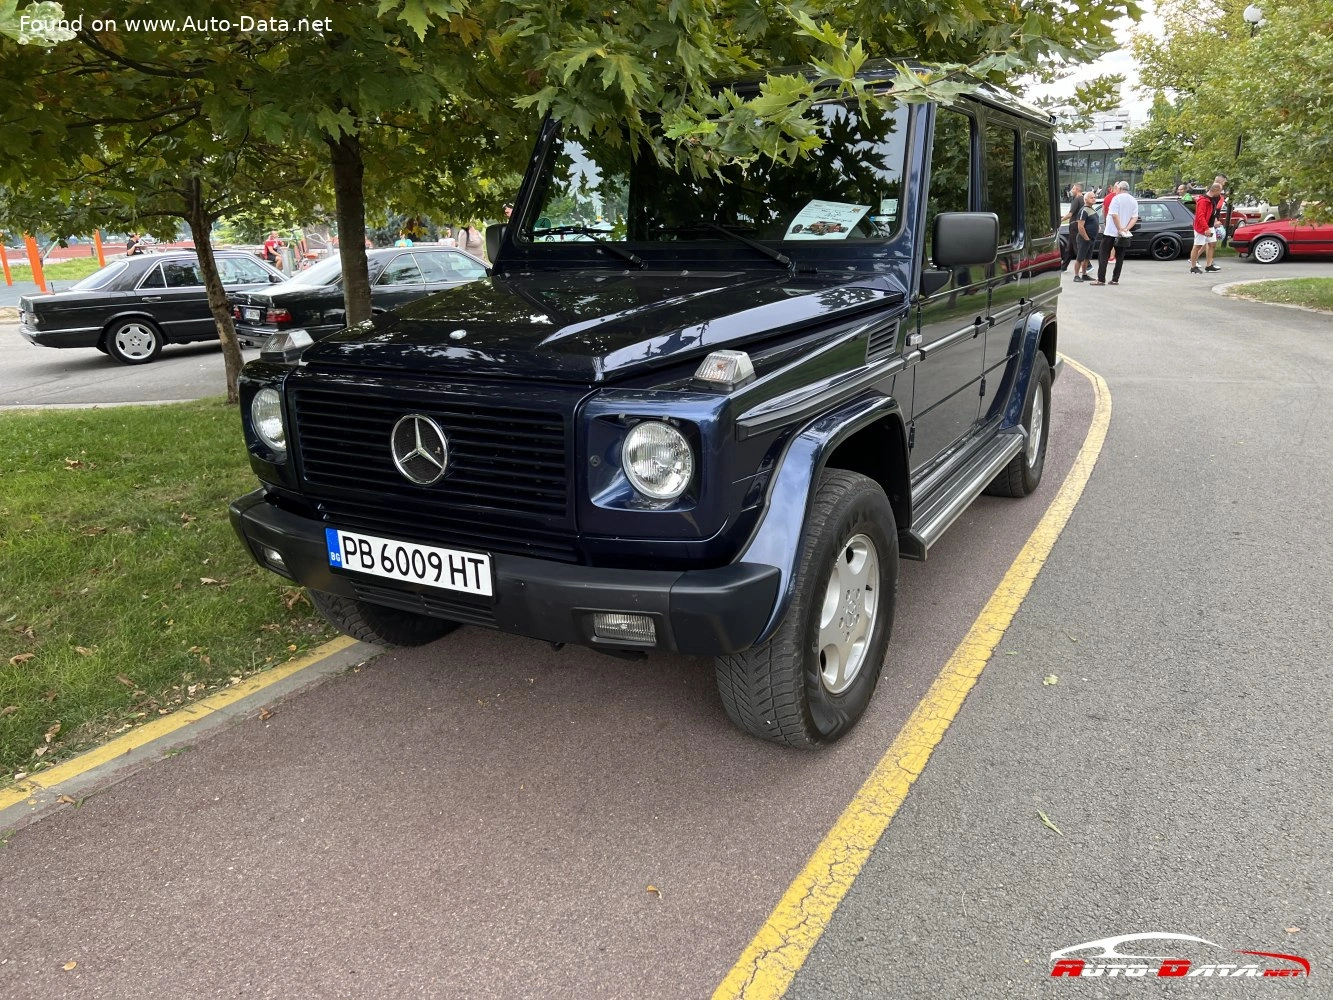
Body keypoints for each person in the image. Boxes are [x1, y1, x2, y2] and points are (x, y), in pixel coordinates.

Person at [1092, 181, 1138, 286]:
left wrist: (1119, 228)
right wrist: (1126, 228)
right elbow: (1134, 217)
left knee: (1103, 254)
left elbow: (1114, 215)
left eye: (1116, 188)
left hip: (1111, 231)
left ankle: (1101, 278)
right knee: (1120, 256)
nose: (1115, 190)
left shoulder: (1116, 199)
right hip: (1123, 234)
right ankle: (1115, 279)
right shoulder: (1133, 200)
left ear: (1120, 189)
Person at [1189, 182, 1225, 274]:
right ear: (1215, 190)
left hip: (1210, 225)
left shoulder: (1213, 199)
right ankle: (1193, 267)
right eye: (1220, 191)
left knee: (1212, 244)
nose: (1220, 193)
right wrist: (1206, 228)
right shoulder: (1203, 201)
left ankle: (1209, 266)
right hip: (1202, 227)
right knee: (1197, 246)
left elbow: (1213, 212)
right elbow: (1200, 217)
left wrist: (1214, 222)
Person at [1072, 187, 1099, 283]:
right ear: (1086, 199)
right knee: (1080, 257)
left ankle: (1084, 274)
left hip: (1091, 238)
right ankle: (1076, 275)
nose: (1094, 198)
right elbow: (1080, 226)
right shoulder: (1084, 210)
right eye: (1091, 197)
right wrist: (1086, 238)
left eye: (1094, 197)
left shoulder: (1093, 209)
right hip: (1084, 238)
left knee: (1087, 257)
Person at [1061, 184, 1084, 272]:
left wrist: (1061, 220)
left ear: (1077, 190)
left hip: (1074, 226)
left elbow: (1070, 214)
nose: (1071, 190)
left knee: (1076, 246)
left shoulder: (1077, 199)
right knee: (1070, 248)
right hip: (1078, 225)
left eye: (1073, 189)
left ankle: (1085, 265)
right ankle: (1064, 266)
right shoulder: (1083, 199)